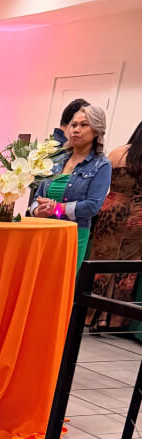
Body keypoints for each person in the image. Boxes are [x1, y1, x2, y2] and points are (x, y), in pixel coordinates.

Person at [32, 104, 112, 270]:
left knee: (59, 282)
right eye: (73, 125)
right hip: (43, 230)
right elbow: (36, 197)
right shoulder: (56, 159)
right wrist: (37, 211)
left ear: (96, 131)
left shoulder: (101, 165)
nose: (76, 130)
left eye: (84, 125)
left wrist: (57, 209)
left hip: (72, 235)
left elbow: (93, 206)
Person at [87, 120, 142, 334]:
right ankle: (109, 320)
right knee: (124, 268)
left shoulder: (117, 153)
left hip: (111, 212)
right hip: (138, 217)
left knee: (102, 262)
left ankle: (90, 314)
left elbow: (103, 182)